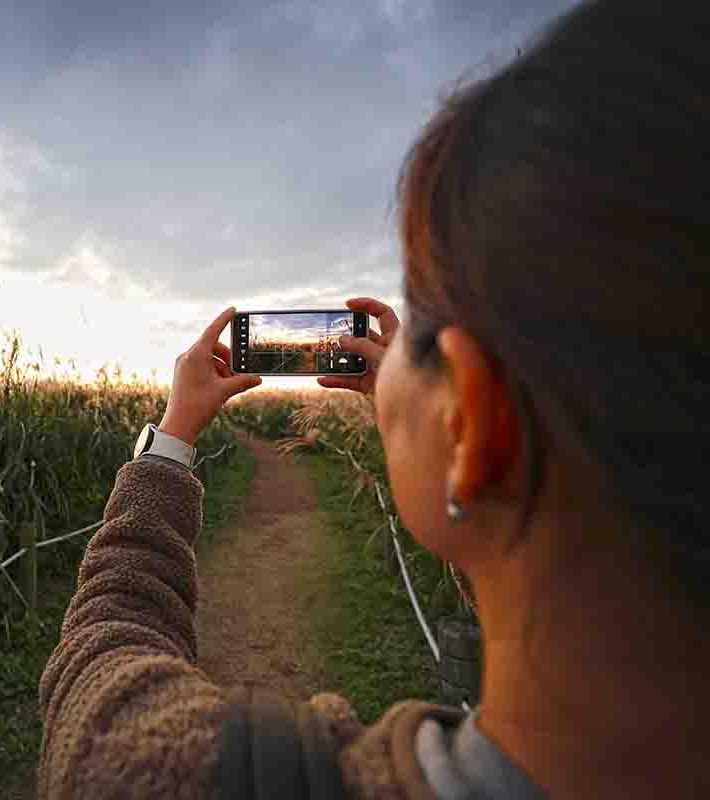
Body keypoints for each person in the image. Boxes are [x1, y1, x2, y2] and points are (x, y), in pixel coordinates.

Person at [36, 1, 710, 797]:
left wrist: (176, 432)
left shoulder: (161, 774)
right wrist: (432, 426)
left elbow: (105, 644)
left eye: (420, 318)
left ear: (475, 421)